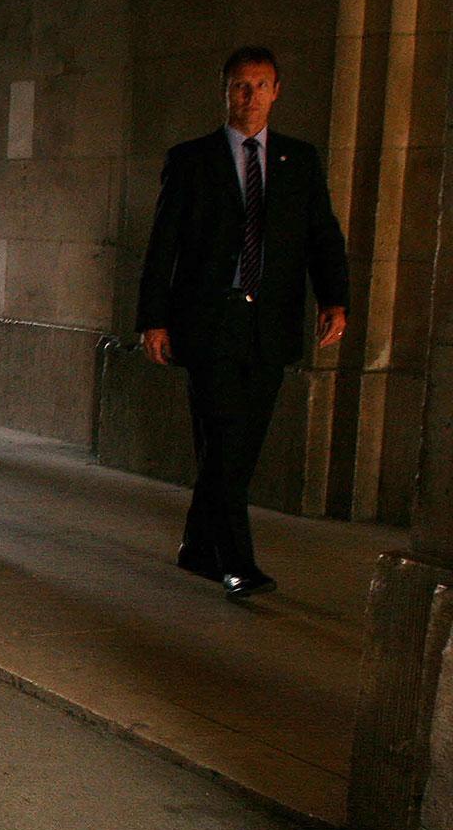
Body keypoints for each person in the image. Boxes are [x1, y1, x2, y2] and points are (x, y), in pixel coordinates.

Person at [138, 45, 349, 599]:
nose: (249, 97)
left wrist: (335, 299)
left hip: (270, 323)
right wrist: (153, 320)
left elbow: (321, 235)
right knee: (226, 439)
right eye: (239, 86)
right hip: (209, 320)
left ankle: (195, 545)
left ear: (276, 92)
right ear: (225, 91)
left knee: (237, 445)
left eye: (260, 86)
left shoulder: (298, 162)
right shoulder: (191, 159)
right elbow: (164, 245)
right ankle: (236, 562)